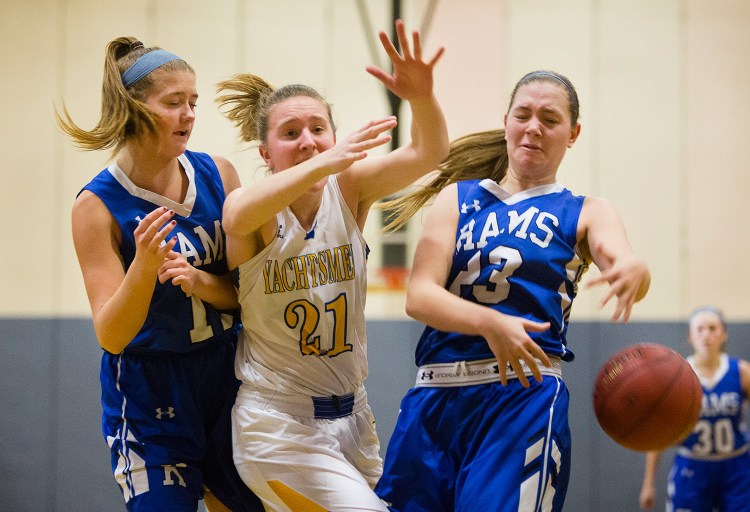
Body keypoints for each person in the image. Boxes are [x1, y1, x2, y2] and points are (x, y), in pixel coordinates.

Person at [373, 70, 651, 512]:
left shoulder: (587, 210)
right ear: (506, 120)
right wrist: (489, 322)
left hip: (521, 399)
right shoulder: (457, 198)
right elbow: (419, 296)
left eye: (550, 119)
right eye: (523, 114)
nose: (533, 127)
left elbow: (620, 257)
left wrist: (635, 269)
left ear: (573, 133)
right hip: (434, 397)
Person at [214, 19, 448, 511]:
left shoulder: (349, 190)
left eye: (319, 130)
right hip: (278, 426)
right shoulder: (253, 208)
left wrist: (423, 98)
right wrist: (326, 160)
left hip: (353, 419)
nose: (307, 141)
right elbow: (233, 215)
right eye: (291, 133)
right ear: (265, 153)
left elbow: (430, 152)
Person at [57, 37, 263, 511]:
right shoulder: (97, 206)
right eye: (174, 103)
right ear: (133, 109)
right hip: (151, 390)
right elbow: (111, 334)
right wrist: (144, 270)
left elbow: (248, 295)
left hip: (230, 370)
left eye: (193, 102)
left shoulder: (220, 174)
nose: (189, 114)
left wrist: (200, 282)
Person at [639, 306, 750, 511]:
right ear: (690, 336)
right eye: (700, 329)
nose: (706, 334)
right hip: (693, 466)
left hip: (737, 467)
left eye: (712, 328)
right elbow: (659, 436)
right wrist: (648, 483)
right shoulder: (676, 378)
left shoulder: (742, 372)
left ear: (723, 334)